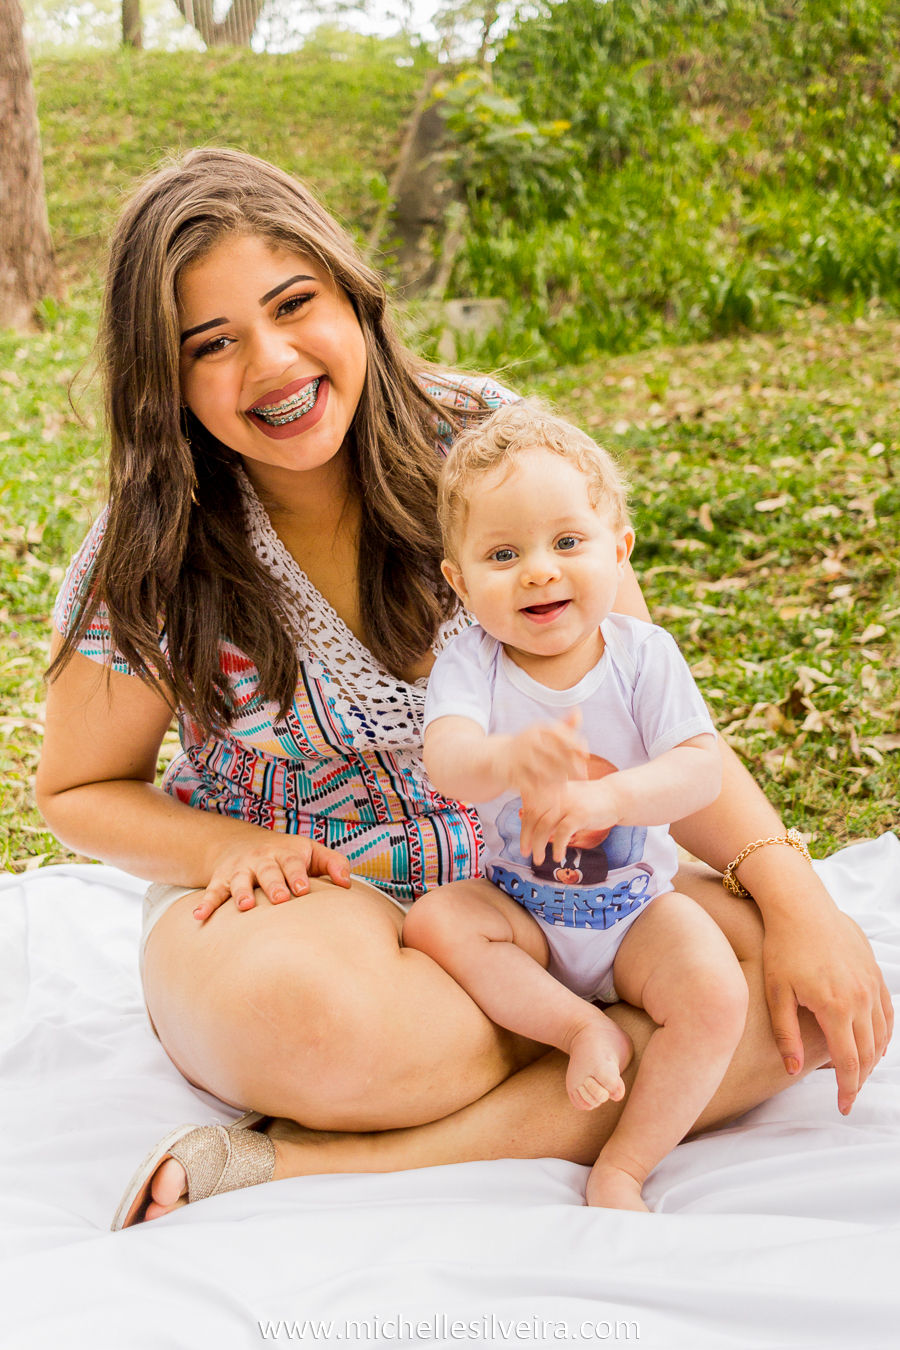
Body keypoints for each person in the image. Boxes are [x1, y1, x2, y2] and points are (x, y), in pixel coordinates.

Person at [34, 148, 891, 1230]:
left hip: (535, 880)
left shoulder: (485, 444)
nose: (273, 361)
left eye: (295, 303)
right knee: (326, 1027)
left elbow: (643, 704)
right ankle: (555, 1059)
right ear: (165, 378)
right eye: (212, 345)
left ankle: (316, 1164)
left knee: (791, 1006)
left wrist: (794, 895)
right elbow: (76, 788)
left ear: (353, 295)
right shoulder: (151, 545)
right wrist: (223, 853)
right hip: (307, 903)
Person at [403, 400, 747, 1211]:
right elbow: (447, 764)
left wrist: (612, 794)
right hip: (522, 908)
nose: (538, 570)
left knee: (717, 997)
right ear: (458, 581)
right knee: (438, 922)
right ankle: (577, 1028)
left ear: (618, 550)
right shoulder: (471, 662)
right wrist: (505, 758)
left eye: (567, 543)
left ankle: (625, 1164)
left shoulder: (642, 657)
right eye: (502, 553)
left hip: (634, 910)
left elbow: (701, 770)